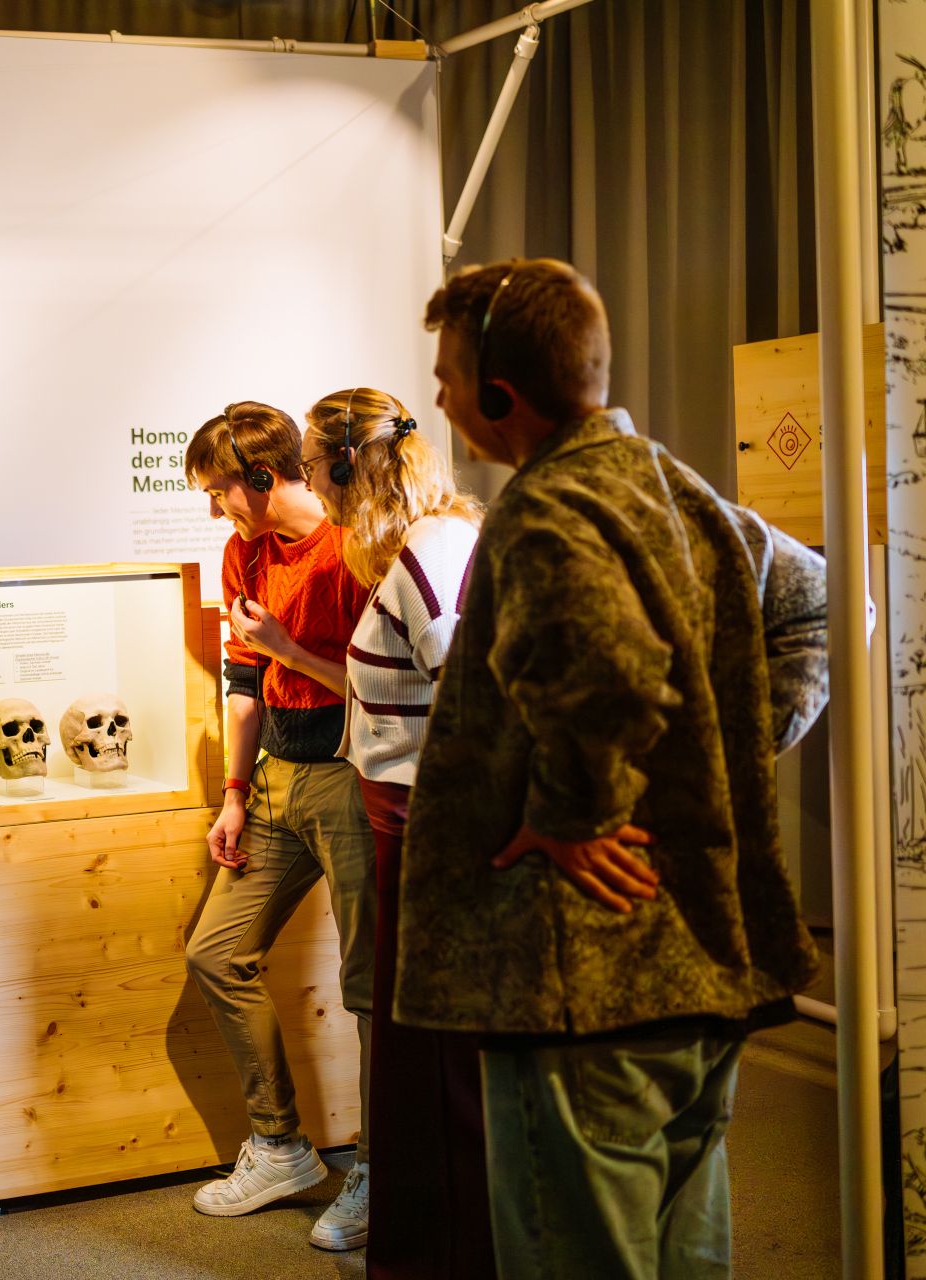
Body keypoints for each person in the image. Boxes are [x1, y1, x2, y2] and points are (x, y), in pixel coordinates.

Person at [399, 258, 830, 1279]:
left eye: (448, 374)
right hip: (693, 952)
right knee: (686, 1247)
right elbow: (815, 601)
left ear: (500, 397)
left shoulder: (550, 508)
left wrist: (572, 813)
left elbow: (610, 676)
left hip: (584, 982)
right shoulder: (674, 487)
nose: (440, 395)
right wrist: (719, 760)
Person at [299, 388, 492, 1278]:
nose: (306, 477)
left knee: (441, 1066)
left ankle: (449, 1255)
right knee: (418, 1060)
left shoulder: (436, 549)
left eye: (311, 460)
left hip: (430, 834)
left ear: (348, 467)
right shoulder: (408, 552)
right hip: (400, 826)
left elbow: (476, 703)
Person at [181, 402, 378, 1251]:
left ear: (262, 479)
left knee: (368, 984)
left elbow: (387, 688)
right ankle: (282, 1147)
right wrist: (232, 791)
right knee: (216, 949)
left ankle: (381, 1169)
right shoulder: (242, 551)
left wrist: (290, 649)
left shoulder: (357, 547)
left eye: (221, 491)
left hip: (353, 779)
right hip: (277, 778)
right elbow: (242, 677)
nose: (217, 508)